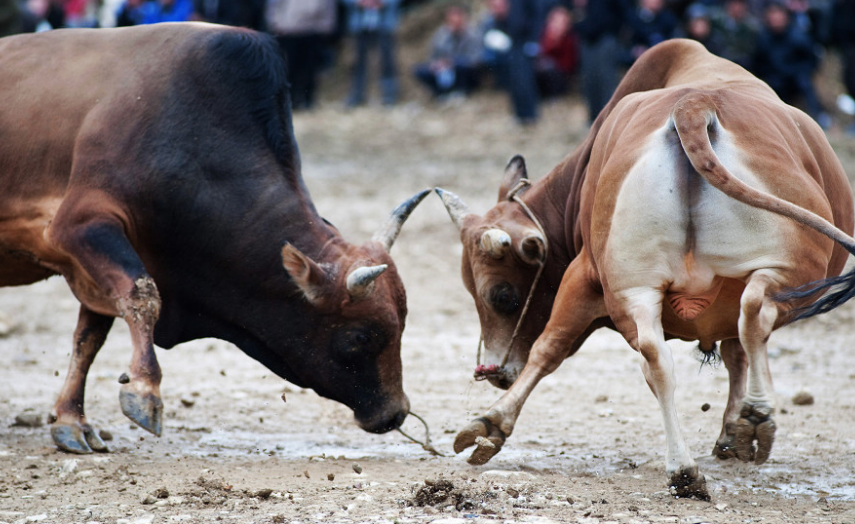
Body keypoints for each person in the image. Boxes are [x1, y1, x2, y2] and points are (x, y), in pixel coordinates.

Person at [753, 1, 830, 128]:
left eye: (779, 15)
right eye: (772, 15)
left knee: (805, 83)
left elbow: (811, 60)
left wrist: (799, 71)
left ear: (786, 16)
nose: (776, 19)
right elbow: (758, 62)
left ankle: (818, 118)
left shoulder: (799, 36)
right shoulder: (763, 38)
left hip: (796, 76)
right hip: (775, 78)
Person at [267, 0, 337, 111]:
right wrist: (276, 23)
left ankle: (308, 100)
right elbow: (274, 6)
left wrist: (325, 26)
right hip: (289, 31)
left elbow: (328, 8)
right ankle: (290, 101)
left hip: (312, 31)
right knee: (290, 69)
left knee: (310, 69)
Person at [574, 0, 631, 123]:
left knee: (606, 81)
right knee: (590, 80)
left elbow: (624, 10)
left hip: (606, 37)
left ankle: (607, 120)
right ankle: (593, 120)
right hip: (586, 37)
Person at [413, 4, 483, 98]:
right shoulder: (441, 35)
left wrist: (453, 62)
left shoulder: (473, 34)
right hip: (444, 68)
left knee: (461, 67)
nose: (455, 23)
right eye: (452, 20)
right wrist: (437, 64)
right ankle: (440, 94)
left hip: (464, 69)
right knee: (420, 70)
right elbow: (434, 55)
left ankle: (462, 91)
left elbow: (475, 59)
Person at [343, 0, 401, 107]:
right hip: (359, 24)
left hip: (385, 23)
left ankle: (389, 95)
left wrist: (383, 2)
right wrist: (359, 2)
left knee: (387, 60)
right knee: (358, 62)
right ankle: (357, 94)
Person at [534, 5, 579, 98]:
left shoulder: (569, 39)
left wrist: (556, 42)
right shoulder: (544, 36)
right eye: (554, 21)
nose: (556, 25)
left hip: (561, 76)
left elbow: (568, 65)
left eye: (560, 22)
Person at [711, 0, 760, 69]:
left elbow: (750, 50)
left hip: (743, 64)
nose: (737, 8)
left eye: (740, 5)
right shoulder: (717, 22)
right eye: (734, 4)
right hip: (721, 61)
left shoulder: (751, 27)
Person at [192, 0, 264, 29]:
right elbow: (198, 13)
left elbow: (237, 21)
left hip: (234, 37)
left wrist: (206, 22)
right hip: (207, 35)